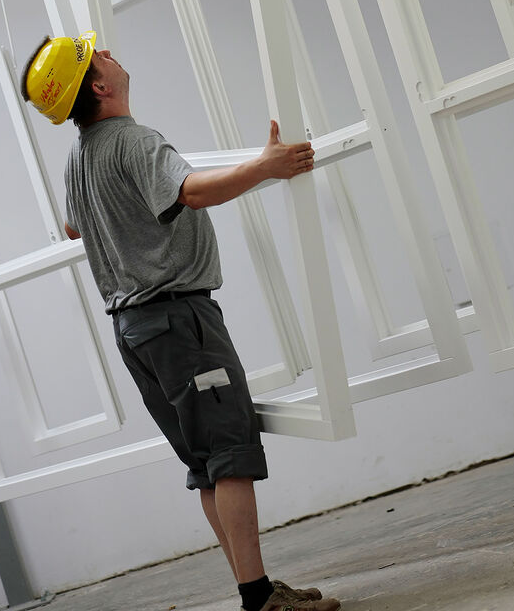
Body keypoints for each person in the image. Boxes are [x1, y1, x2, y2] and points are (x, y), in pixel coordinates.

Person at [20, 32, 341, 611]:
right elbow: (191, 193)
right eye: (99, 57)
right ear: (99, 86)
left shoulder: (79, 155)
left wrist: (119, 220)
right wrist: (265, 167)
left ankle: (256, 589)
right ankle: (260, 599)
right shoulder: (134, 140)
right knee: (229, 453)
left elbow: (73, 226)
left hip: (135, 331)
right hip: (177, 321)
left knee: (205, 464)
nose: (110, 53)